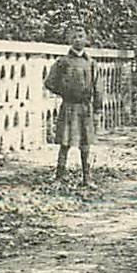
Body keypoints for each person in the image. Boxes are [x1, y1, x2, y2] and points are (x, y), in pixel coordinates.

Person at [44, 25, 102, 186]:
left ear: (86, 40)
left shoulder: (91, 63)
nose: (78, 39)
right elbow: (49, 82)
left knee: (85, 144)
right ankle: (59, 177)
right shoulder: (63, 62)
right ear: (70, 40)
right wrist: (64, 91)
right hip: (69, 106)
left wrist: (97, 109)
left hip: (85, 107)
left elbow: (98, 87)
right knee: (65, 142)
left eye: (81, 36)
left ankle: (87, 177)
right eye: (75, 37)